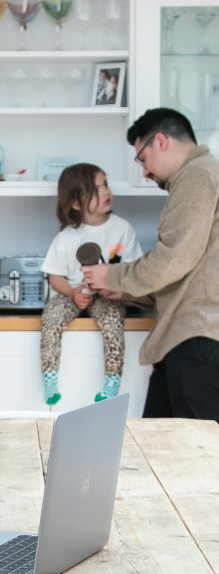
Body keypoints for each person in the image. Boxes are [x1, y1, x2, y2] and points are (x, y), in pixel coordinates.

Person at [82, 107, 219, 421]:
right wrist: (127, 292)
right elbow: (191, 272)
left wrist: (112, 276)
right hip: (192, 342)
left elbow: (174, 259)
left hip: (198, 343)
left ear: (161, 141)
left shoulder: (197, 175)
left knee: (193, 459)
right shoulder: (203, 175)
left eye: (142, 158)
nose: (144, 171)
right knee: (161, 452)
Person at [40, 162, 142, 405]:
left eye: (105, 184)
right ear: (76, 203)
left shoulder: (122, 229)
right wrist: (73, 293)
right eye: (96, 189)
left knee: (113, 323)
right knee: (51, 317)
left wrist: (116, 289)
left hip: (108, 295)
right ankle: (50, 375)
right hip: (73, 293)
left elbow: (135, 269)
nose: (106, 191)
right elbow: (54, 276)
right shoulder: (66, 236)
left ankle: (112, 380)